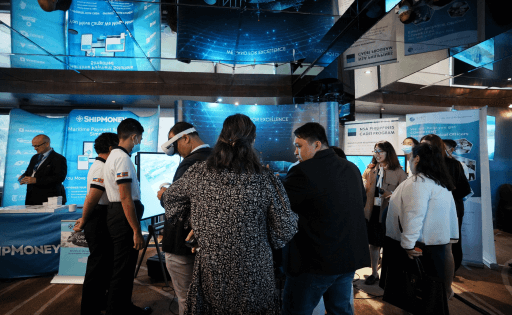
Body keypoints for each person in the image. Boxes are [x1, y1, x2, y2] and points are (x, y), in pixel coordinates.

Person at [162, 114, 298, 315]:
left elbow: (169, 200)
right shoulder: (265, 179)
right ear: (252, 141)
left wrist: (197, 225)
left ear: (220, 137)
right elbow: (286, 228)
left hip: (213, 271)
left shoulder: (198, 173)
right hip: (255, 273)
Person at [281, 122, 370, 315]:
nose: (296, 152)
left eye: (299, 146)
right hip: (347, 259)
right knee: (340, 311)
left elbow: (281, 209)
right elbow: (360, 202)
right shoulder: (352, 168)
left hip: (313, 262)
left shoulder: (302, 172)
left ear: (317, 145)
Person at [384, 142, 458, 299]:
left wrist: (408, 244)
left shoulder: (419, 182)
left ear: (416, 159)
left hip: (419, 247)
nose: (409, 160)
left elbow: (414, 215)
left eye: (411, 157)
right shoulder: (439, 182)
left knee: (417, 294)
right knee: (430, 295)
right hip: (435, 245)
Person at [156, 122, 211, 315]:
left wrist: (164, 195)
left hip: (181, 242)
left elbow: (176, 205)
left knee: (186, 299)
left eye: (177, 147)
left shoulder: (188, 163)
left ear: (186, 138)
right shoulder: (217, 159)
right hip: (205, 242)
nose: (179, 153)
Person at [103, 118, 151, 315]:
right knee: (123, 269)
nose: (138, 142)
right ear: (134, 136)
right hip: (123, 217)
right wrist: (136, 231)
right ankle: (118, 310)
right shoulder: (122, 158)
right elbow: (125, 197)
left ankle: (124, 307)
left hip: (118, 214)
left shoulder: (114, 156)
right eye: (139, 138)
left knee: (122, 267)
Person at [73, 133, 119, 315]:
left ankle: (100, 303)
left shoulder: (101, 165)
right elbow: (92, 197)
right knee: (97, 266)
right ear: (110, 148)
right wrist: (84, 219)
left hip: (99, 216)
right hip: (97, 217)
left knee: (103, 265)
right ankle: (89, 309)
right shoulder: (101, 167)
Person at [421, 134, 471, 273]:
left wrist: (444, 198)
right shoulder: (423, 164)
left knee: (451, 244)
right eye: (422, 145)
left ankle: (450, 276)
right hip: (430, 211)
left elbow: (464, 189)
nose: (425, 149)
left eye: (428, 145)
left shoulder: (453, 164)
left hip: (452, 210)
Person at [362, 141, 407, 285]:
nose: (377, 154)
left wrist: (391, 193)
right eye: (375, 151)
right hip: (372, 212)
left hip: (389, 213)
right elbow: (363, 185)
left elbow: (405, 194)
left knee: (389, 245)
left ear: (389, 152)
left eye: (380, 151)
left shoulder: (399, 172)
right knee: (373, 244)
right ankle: (374, 273)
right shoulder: (371, 169)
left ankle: (388, 275)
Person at [19, 134, 67, 205]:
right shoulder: (34, 157)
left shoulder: (59, 158)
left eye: (37, 146)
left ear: (47, 144)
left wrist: (36, 180)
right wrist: (23, 177)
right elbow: (29, 172)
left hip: (49, 199)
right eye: (33, 146)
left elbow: (59, 178)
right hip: (31, 198)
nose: (35, 148)